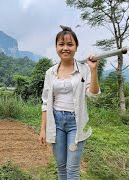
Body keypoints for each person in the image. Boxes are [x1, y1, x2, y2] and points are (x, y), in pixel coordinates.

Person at [39, 25, 100, 180]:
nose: (65, 48)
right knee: (61, 168)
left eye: (70, 44)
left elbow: (93, 95)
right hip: (56, 123)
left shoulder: (84, 69)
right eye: (61, 44)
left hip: (76, 123)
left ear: (76, 47)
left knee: (72, 170)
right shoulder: (50, 72)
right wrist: (43, 130)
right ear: (56, 47)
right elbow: (45, 103)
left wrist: (93, 70)